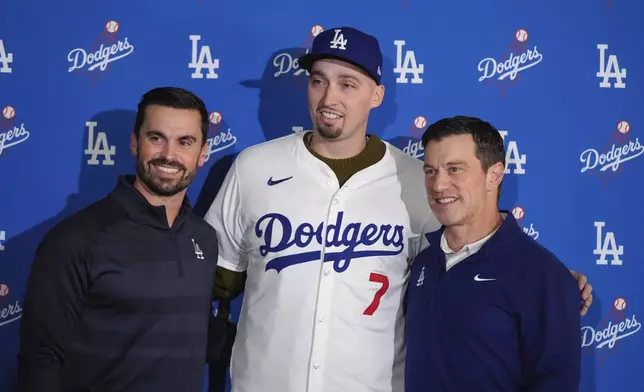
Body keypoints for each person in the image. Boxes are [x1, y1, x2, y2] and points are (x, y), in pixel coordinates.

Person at [203, 27, 593, 392]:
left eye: (347, 84)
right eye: (318, 80)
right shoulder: (253, 167)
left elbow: (470, 248)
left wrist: (549, 284)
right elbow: (210, 277)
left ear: (377, 96)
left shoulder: (416, 180)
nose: (328, 98)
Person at [17, 87, 219, 392]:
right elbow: (41, 357)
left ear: (203, 153)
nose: (169, 154)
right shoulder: (78, 237)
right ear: (134, 143)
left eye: (185, 142)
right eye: (156, 138)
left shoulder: (204, 238)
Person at [405, 116, 582, 392]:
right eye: (430, 171)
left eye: (455, 169)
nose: (438, 185)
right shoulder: (424, 263)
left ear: (494, 175)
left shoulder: (542, 275)